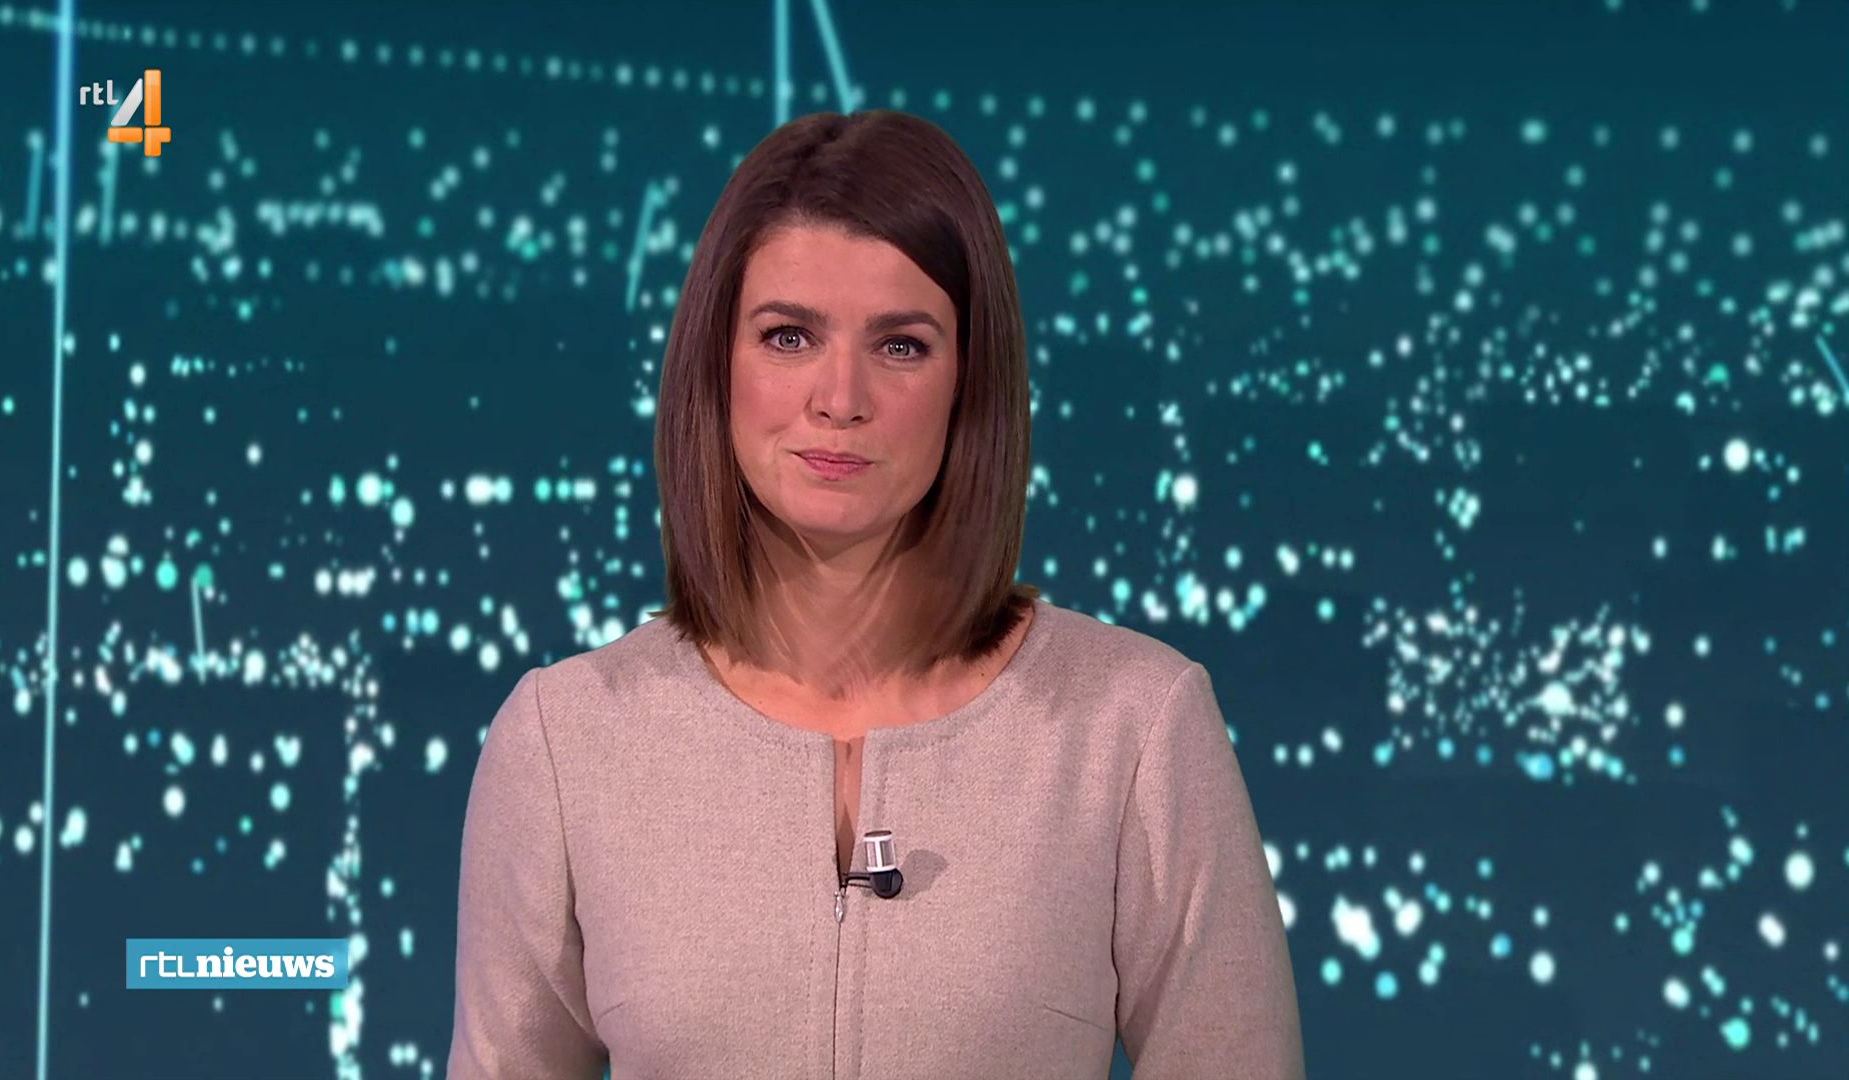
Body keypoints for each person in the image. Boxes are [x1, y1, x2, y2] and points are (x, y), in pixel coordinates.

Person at [447, 108, 1304, 1079]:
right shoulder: (566, 742)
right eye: (788, 336)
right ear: (716, 365)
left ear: (968, 382)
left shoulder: (1134, 729)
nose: (840, 398)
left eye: (900, 345)